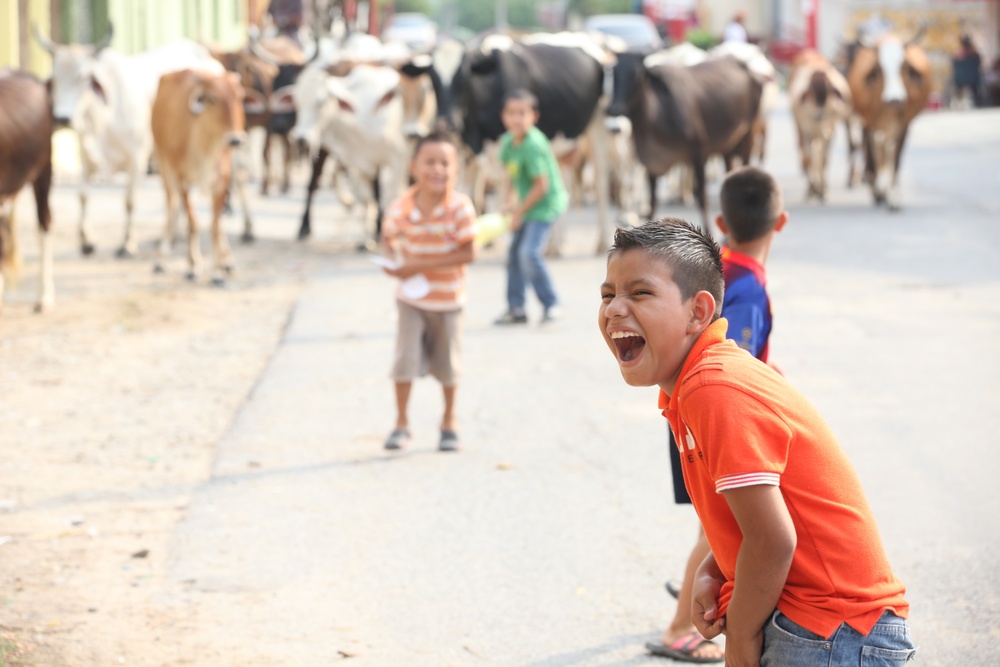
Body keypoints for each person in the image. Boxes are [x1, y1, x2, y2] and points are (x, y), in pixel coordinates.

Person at [599, 219, 915, 666]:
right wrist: (715, 568)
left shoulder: (713, 387)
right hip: (821, 624)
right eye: (608, 294)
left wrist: (741, 644)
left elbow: (773, 540)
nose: (614, 308)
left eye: (640, 293)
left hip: (831, 631)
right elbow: (751, 521)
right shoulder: (692, 384)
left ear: (698, 312)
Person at [645, 166, 787, 663]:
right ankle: (682, 626)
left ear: (722, 222)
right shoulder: (748, 283)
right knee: (719, 529)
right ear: (781, 222)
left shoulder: (715, 268)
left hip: (688, 407)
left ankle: (694, 604)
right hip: (717, 421)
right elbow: (736, 365)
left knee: (716, 527)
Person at [379, 131, 477, 453]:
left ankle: (449, 421)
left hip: (449, 301)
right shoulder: (400, 207)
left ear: (456, 170)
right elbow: (388, 237)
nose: (437, 169)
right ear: (413, 167)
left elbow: (468, 253)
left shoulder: (461, 208)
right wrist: (391, 258)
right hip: (410, 299)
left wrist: (417, 264)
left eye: (445, 163)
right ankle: (401, 423)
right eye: (430, 162)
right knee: (404, 361)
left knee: (449, 365)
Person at [494, 89, 567, 325]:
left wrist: (518, 212)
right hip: (527, 205)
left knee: (529, 253)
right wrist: (510, 201)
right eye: (511, 113)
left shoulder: (534, 144)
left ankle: (551, 302)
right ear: (503, 116)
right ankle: (516, 309)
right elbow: (514, 175)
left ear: (533, 116)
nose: (516, 119)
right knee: (514, 254)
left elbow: (541, 186)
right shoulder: (508, 142)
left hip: (545, 206)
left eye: (522, 113)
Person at [952, 35, 983, 108]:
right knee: (976, 85)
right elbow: (979, 64)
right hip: (974, 79)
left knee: (956, 82)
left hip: (960, 79)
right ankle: (977, 101)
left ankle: (958, 101)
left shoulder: (958, 55)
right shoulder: (975, 54)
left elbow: (954, 65)